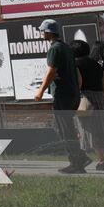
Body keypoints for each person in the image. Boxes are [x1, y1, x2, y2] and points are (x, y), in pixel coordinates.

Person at [33, 18, 89, 173]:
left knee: (65, 129)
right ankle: (80, 157)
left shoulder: (55, 48)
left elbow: (51, 71)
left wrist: (40, 91)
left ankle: (77, 162)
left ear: (48, 32)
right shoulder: (66, 47)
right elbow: (76, 72)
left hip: (63, 94)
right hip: (72, 93)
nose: (41, 33)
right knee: (66, 127)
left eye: (42, 31)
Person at [71, 39, 104, 169]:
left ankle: (81, 159)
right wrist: (103, 99)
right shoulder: (97, 65)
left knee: (85, 129)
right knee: (98, 129)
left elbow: (78, 83)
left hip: (84, 99)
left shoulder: (75, 64)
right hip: (99, 98)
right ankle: (101, 160)